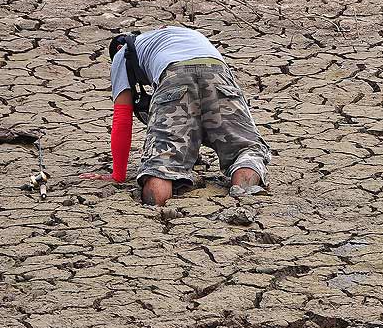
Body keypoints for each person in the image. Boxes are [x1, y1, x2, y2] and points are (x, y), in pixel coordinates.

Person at [81, 26, 271, 206]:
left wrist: (118, 175)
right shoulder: (169, 35)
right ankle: (244, 192)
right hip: (218, 71)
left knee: (161, 166)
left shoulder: (123, 53)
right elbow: (196, 114)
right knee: (245, 149)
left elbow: (122, 118)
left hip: (173, 74)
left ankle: (157, 204)